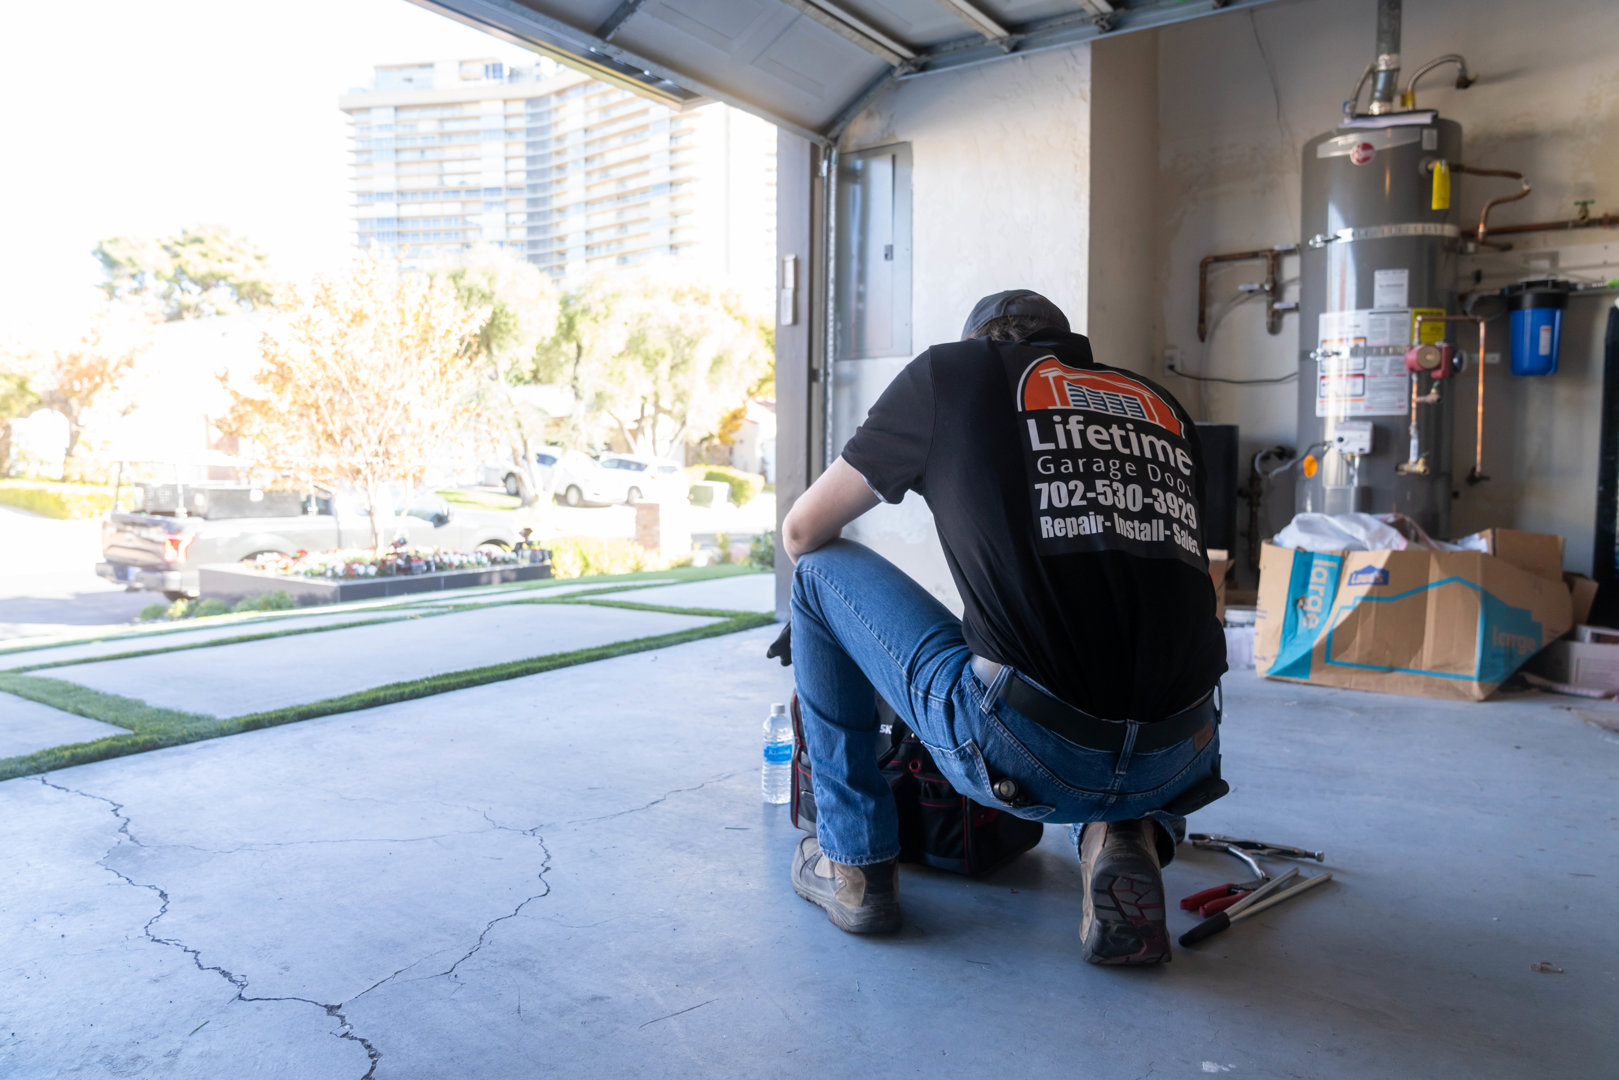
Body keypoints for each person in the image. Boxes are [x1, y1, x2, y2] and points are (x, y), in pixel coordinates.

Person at [778, 290, 1227, 965]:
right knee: (1123, 633)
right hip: (1181, 754)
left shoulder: (950, 375)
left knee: (817, 572)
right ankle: (1120, 830)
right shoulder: (1159, 405)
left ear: (981, 343)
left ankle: (853, 866)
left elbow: (801, 530)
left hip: (1026, 749)